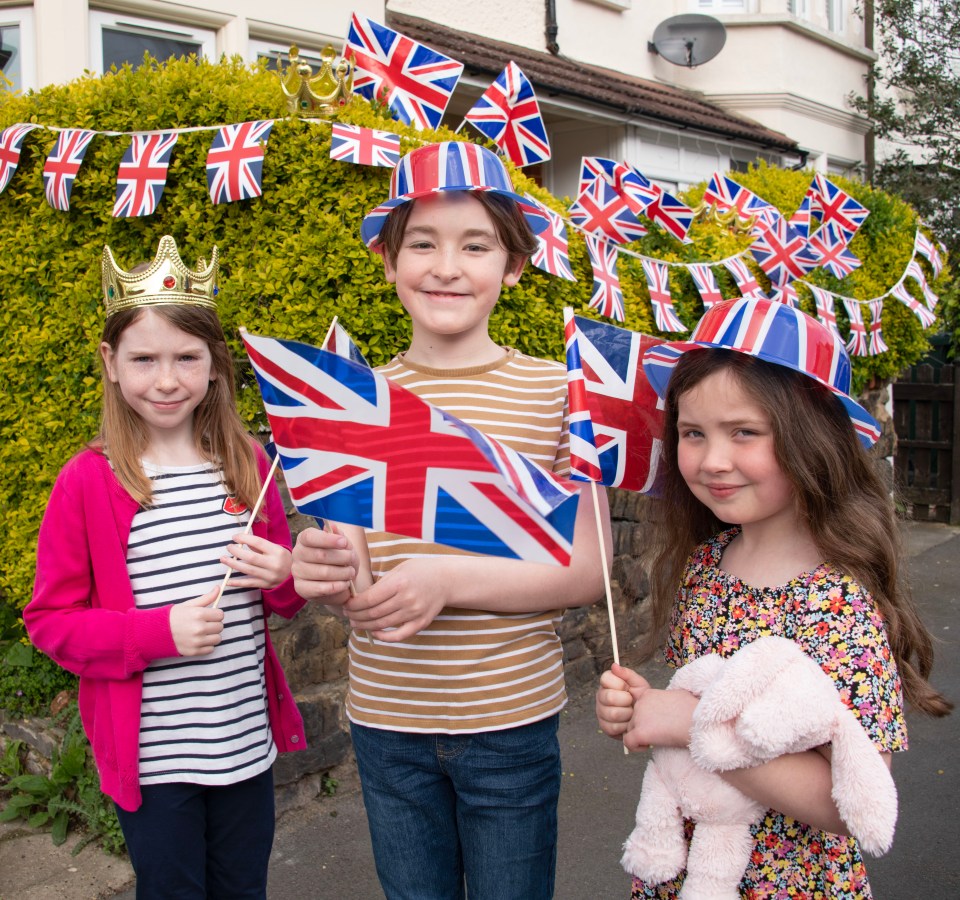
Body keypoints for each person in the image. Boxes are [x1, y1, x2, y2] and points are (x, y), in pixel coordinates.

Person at [290, 140, 611, 900]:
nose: (446, 267)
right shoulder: (352, 400)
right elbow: (355, 572)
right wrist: (325, 576)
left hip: (509, 718)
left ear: (514, 265)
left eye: (476, 246)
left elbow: (587, 568)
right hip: (385, 723)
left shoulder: (562, 396)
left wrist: (445, 577)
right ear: (388, 262)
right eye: (422, 244)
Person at [595, 296, 952, 899]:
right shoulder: (707, 565)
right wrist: (640, 707)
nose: (713, 460)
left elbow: (851, 805)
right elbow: (689, 698)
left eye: (744, 433)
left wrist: (690, 724)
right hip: (684, 871)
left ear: (812, 441)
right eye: (692, 433)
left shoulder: (840, 601)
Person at [25, 235, 308, 900]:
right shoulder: (88, 481)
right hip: (156, 763)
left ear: (214, 365)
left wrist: (285, 571)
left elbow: (288, 601)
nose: (166, 378)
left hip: (242, 747)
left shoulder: (248, 465)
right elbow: (49, 623)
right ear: (111, 363)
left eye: (187, 358)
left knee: (244, 890)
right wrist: (157, 635)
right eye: (144, 358)